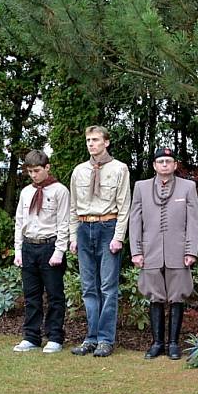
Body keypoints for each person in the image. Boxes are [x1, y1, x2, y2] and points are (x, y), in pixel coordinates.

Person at [129, 147, 198, 360]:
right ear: (154, 165)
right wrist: (136, 251)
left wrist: (191, 250)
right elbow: (135, 221)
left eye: (169, 161)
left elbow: (193, 221)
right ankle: (157, 342)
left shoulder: (188, 187)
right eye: (161, 161)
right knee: (154, 296)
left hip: (178, 251)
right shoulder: (141, 187)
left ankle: (173, 344)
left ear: (175, 165)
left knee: (177, 296)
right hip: (150, 251)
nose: (165, 165)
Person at [69, 125, 131, 357]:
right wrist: (74, 236)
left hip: (108, 227)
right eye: (88, 140)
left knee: (107, 287)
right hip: (85, 228)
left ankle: (106, 339)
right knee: (88, 288)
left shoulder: (119, 169)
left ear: (106, 142)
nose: (91, 144)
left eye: (95, 140)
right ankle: (90, 338)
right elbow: (73, 207)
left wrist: (118, 237)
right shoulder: (79, 171)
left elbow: (124, 206)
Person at [12, 150, 70, 354]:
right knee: (31, 296)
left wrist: (59, 251)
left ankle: (54, 337)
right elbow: (19, 221)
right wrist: (18, 250)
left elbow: (64, 223)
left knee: (54, 295)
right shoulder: (26, 192)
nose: (33, 175)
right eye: (30, 172)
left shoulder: (59, 191)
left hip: (49, 246)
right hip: (28, 247)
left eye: (37, 170)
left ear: (47, 168)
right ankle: (31, 337)